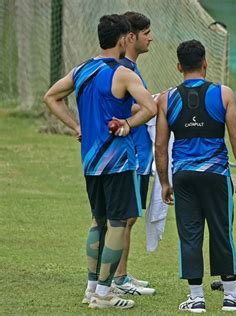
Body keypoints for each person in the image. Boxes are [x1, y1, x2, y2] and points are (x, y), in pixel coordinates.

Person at [43, 14, 156, 309]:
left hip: (90, 162)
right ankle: (105, 294)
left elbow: (51, 97)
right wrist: (129, 124)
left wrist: (76, 126)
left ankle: (92, 288)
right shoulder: (123, 73)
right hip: (118, 162)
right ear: (123, 39)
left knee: (98, 222)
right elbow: (151, 107)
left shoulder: (81, 70)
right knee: (118, 224)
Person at [155, 39, 236, 313]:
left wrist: (164, 182)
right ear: (206, 63)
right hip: (216, 175)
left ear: (178, 67)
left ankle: (196, 298)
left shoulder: (166, 98)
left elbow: (160, 146)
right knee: (222, 232)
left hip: (183, 176)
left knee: (189, 234)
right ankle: (231, 296)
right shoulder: (224, 94)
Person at [111, 11, 155, 296]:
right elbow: (127, 109)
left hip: (140, 153)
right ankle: (118, 278)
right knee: (123, 217)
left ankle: (121, 274)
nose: (151, 38)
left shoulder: (132, 69)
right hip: (131, 154)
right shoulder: (122, 69)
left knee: (130, 217)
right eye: (146, 32)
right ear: (131, 37)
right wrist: (153, 102)